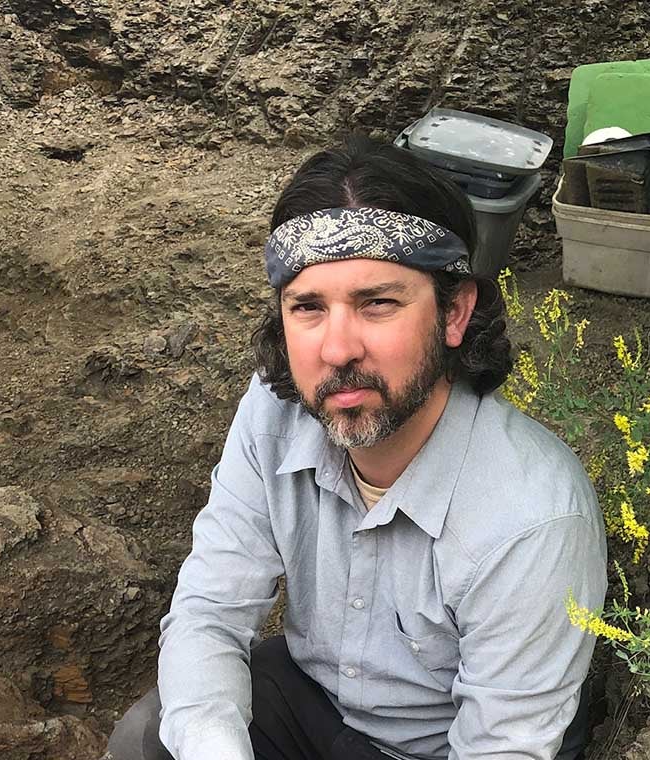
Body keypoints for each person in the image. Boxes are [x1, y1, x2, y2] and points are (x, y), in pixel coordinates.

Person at [105, 135, 608, 760]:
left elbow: (502, 748)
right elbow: (209, 610)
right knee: (151, 737)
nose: (337, 349)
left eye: (377, 304)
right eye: (308, 307)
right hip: (317, 705)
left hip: (448, 746)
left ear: (454, 312)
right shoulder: (274, 414)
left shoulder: (531, 515)